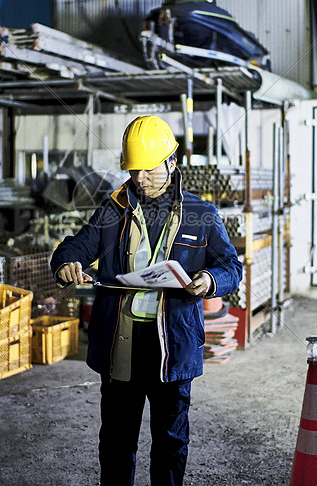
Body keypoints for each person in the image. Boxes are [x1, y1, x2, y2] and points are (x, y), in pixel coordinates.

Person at [50, 115, 243, 486]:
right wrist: (66, 263)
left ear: (172, 162)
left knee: (170, 443)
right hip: (121, 344)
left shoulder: (201, 215)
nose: (140, 178)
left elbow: (231, 266)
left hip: (172, 345)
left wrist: (209, 279)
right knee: (117, 443)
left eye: (149, 170)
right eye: (134, 170)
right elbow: (77, 245)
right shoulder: (113, 210)